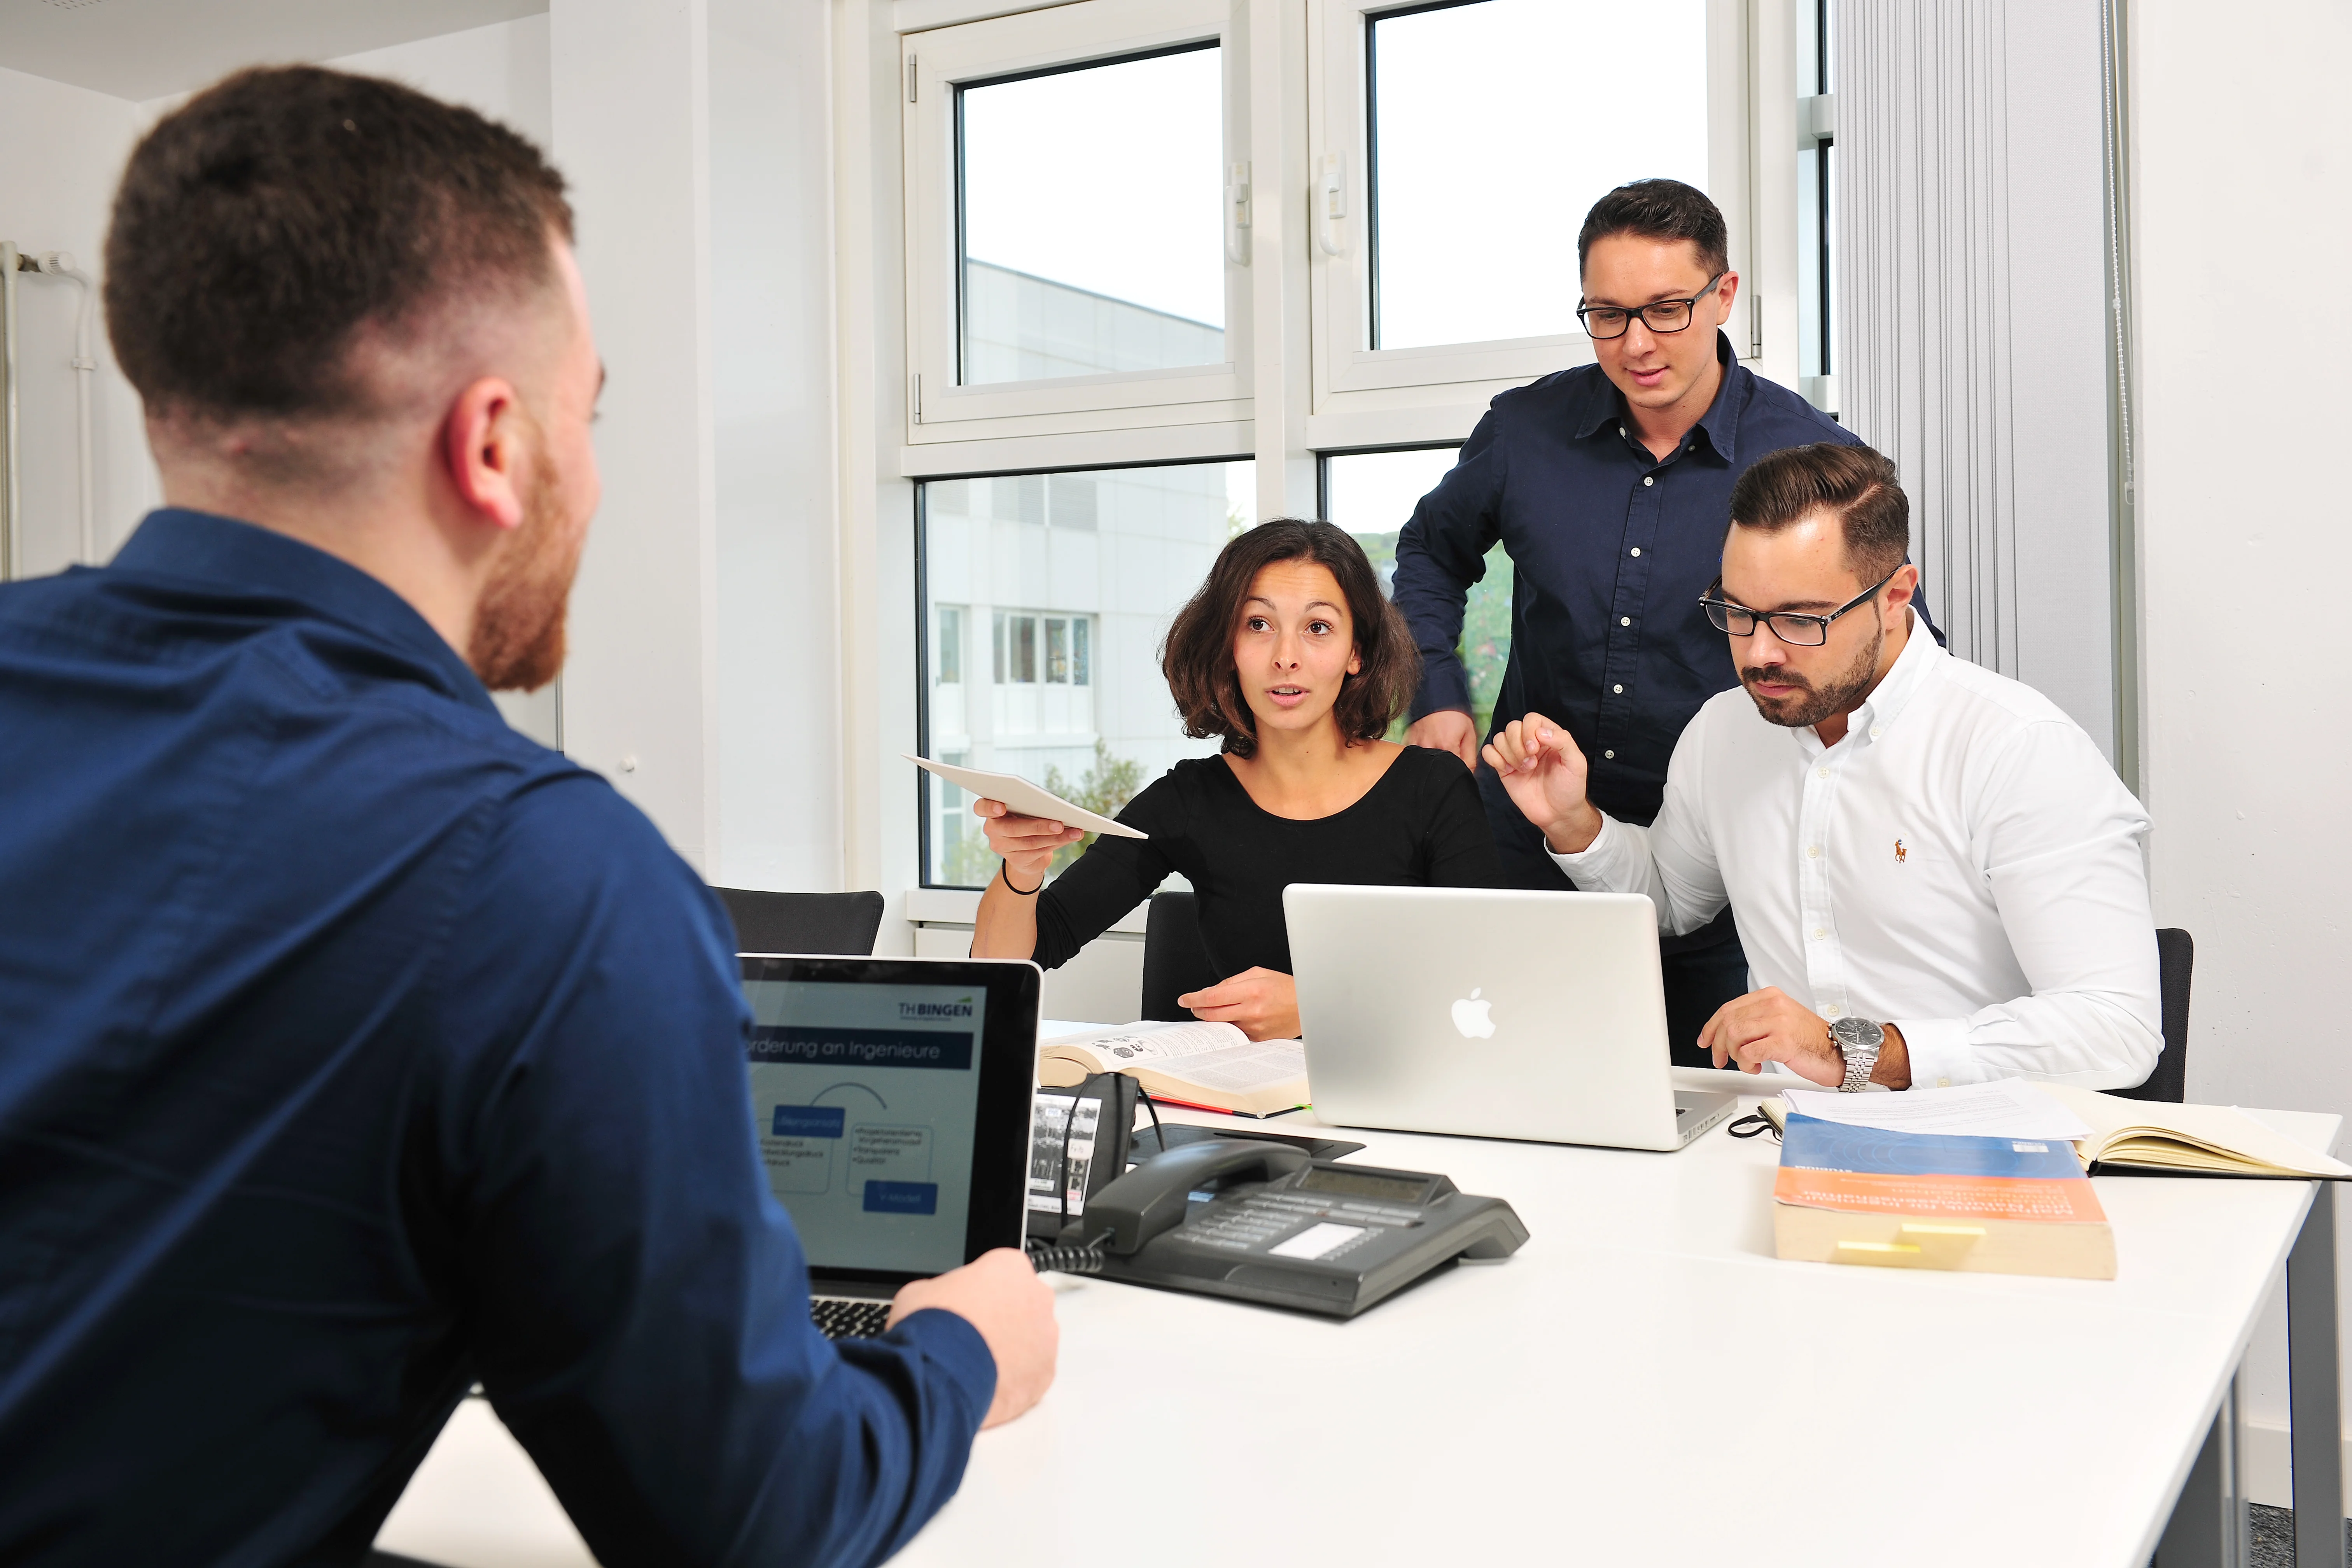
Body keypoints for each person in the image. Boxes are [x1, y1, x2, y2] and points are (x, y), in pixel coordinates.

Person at [0, 67, 1054, 1567]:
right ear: (493, 444)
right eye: (590, 417)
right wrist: (959, 1353)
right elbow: (754, 1516)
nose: (598, 476)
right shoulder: (539, 877)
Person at [1390, 178, 1939, 1066]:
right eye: (1607, 315)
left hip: (1717, 875)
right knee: (1494, 1087)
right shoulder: (1525, 430)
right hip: (1525, 843)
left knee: (1716, 1121)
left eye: (1666, 310)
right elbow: (1427, 555)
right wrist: (1438, 691)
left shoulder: (1808, 458)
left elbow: (1894, 645)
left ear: (1723, 297)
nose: (1636, 343)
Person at [1482, 443, 2160, 1090]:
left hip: (1976, 1150)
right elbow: (1670, 902)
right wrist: (1575, 821)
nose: (1758, 655)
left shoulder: (2016, 747)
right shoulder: (1724, 731)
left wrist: (1853, 1053)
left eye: (1801, 620)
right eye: (1738, 613)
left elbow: (2116, 1028)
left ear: (1896, 597)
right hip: (1774, 1137)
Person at [968, 520, 1500, 1041]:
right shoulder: (1189, 799)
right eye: (1258, 625)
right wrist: (1022, 869)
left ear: (1356, 652)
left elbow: (1489, 981)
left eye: (1317, 628)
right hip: (1245, 1113)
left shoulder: (1433, 789)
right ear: (1228, 647)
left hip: (1409, 1108)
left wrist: (1320, 1005)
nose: (1285, 658)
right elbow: (1013, 964)